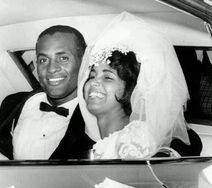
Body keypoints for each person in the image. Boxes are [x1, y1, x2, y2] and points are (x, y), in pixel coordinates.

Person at [77, 12, 202, 159]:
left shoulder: (135, 144)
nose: (94, 82)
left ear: (131, 89)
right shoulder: (92, 136)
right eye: (92, 75)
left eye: (108, 77)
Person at [0, 25, 94, 160]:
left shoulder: (95, 116)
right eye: (43, 60)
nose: (51, 69)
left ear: (84, 62)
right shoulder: (12, 103)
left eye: (63, 58)